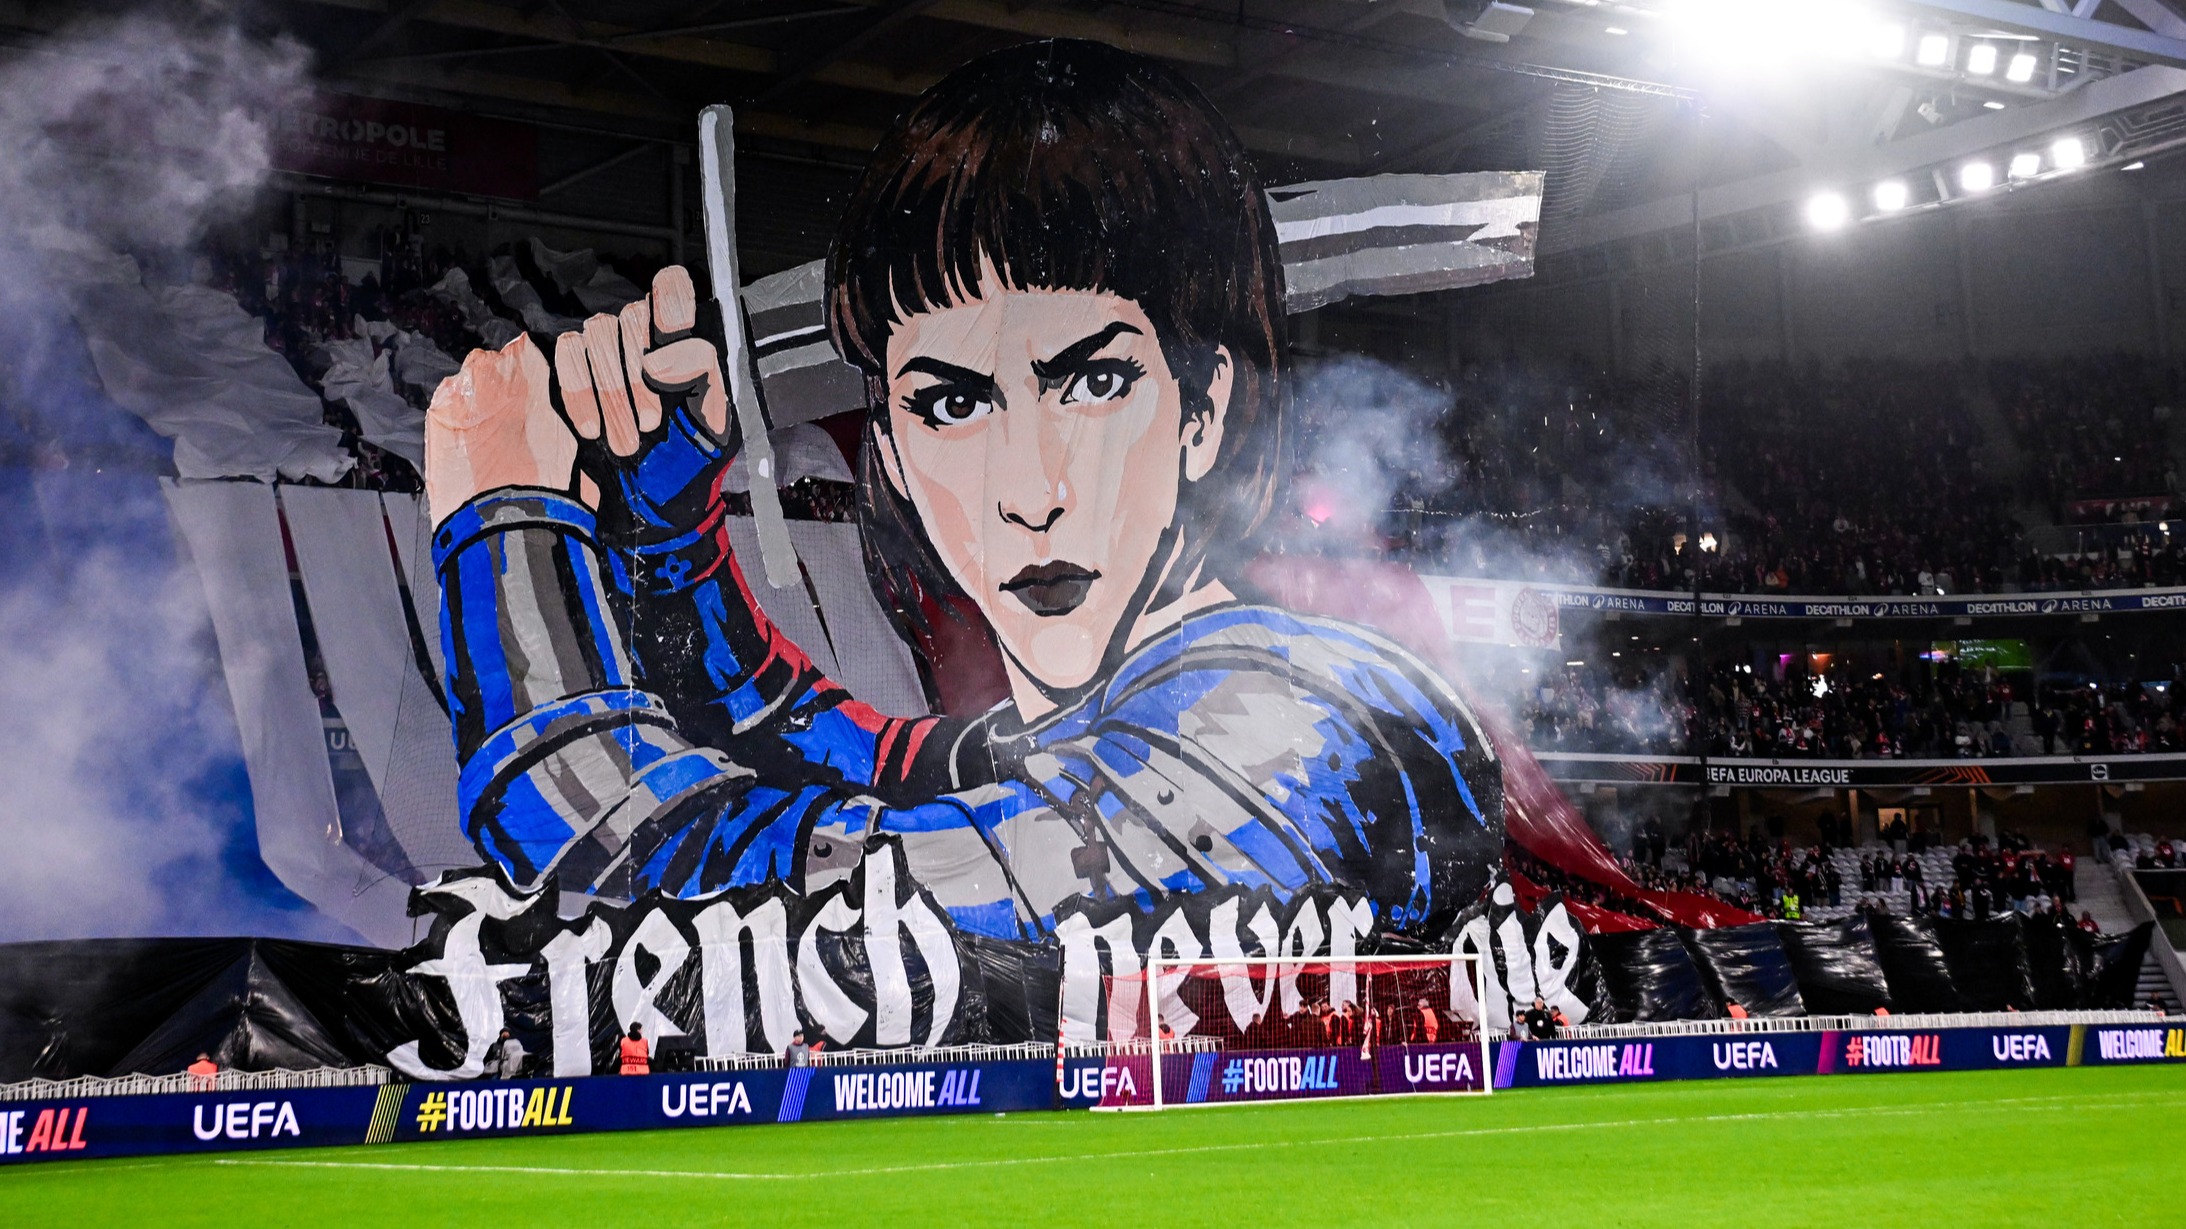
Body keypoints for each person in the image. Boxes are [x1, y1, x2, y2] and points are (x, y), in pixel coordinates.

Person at [421, 40, 1503, 962]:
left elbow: (787, 901)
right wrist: (664, 521)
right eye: (953, 402)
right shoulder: (1085, 743)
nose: (1029, 492)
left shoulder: (1296, 717)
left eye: (1093, 382)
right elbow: (801, 746)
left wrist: (504, 520)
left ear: (1203, 408)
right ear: (889, 450)